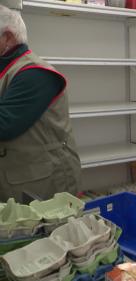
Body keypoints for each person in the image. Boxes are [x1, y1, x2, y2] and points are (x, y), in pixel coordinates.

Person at [0, 4, 80, 202]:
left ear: (8, 37)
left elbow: (5, 124)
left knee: (48, 232)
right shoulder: (8, 70)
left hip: (44, 185)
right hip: (20, 178)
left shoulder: (35, 73)